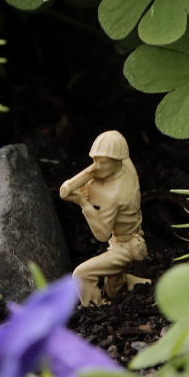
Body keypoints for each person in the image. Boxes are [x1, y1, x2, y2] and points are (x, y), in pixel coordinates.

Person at [60, 130, 149, 306]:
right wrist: (91, 172)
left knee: (81, 274)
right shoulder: (126, 165)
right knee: (113, 291)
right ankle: (142, 285)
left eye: (101, 163)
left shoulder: (113, 196)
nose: (95, 167)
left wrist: (82, 202)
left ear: (117, 162)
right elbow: (96, 171)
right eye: (94, 161)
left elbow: (102, 235)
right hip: (133, 237)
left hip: (123, 249)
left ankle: (94, 308)